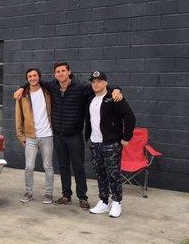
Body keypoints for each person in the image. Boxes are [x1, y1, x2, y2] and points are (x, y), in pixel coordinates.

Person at [13, 62, 123, 209]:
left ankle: (82, 197)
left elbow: (99, 86)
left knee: (78, 167)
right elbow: (33, 80)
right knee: (63, 167)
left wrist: (116, 89)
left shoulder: (81, 87)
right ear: (54, 74)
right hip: (58, 135)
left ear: (69, 72)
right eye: (57, 72)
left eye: (63, 71)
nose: (60, 74)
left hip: (74, 135)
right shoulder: (51, 86)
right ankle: (66, 195)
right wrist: (21, 87)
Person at [85, 71, 135, 218]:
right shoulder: (91, 98)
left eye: (99, 81)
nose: (96, 84)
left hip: (111, 143)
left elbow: (130, 117)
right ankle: (104, 201)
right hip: (95, 143)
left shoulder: (114, 98)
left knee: (113, 175)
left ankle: (117, 203)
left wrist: (126, 137)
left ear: (106, 83)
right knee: (100, 174)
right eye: (93, 82)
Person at [15, 68, 54, 204]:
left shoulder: (47, 92)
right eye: (30, 76)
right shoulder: (23, 96)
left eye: (35, 75)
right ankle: (28, 192)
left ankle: (49, 193)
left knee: (48, 166)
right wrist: (20, 135)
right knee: (29, 167)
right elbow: (18, 117)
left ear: (39, 76)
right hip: (30, 136)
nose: (32, 78)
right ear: (27, 79)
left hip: (47, 135)